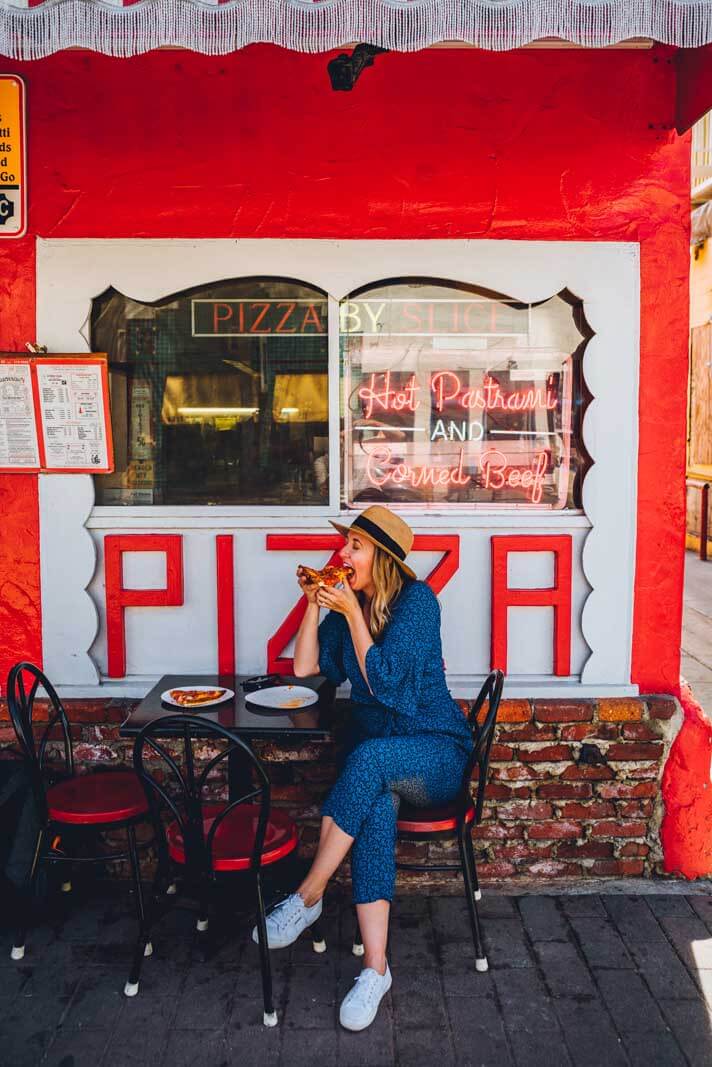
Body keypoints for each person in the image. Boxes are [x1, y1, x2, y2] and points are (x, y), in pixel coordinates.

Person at [252, 505, 472, 1031]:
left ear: (384, 558)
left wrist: (351, 613)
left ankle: (307, 896)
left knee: (368, 759)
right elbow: (305, 668)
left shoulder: (417, 604)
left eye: (355, 546)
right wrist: (312, 606)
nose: (343, 554)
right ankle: (376, 969)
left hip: (434, 749)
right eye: (345, 544)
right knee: (373, 808)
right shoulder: (352, 602)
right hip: (379, 759)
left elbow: (388, 686)